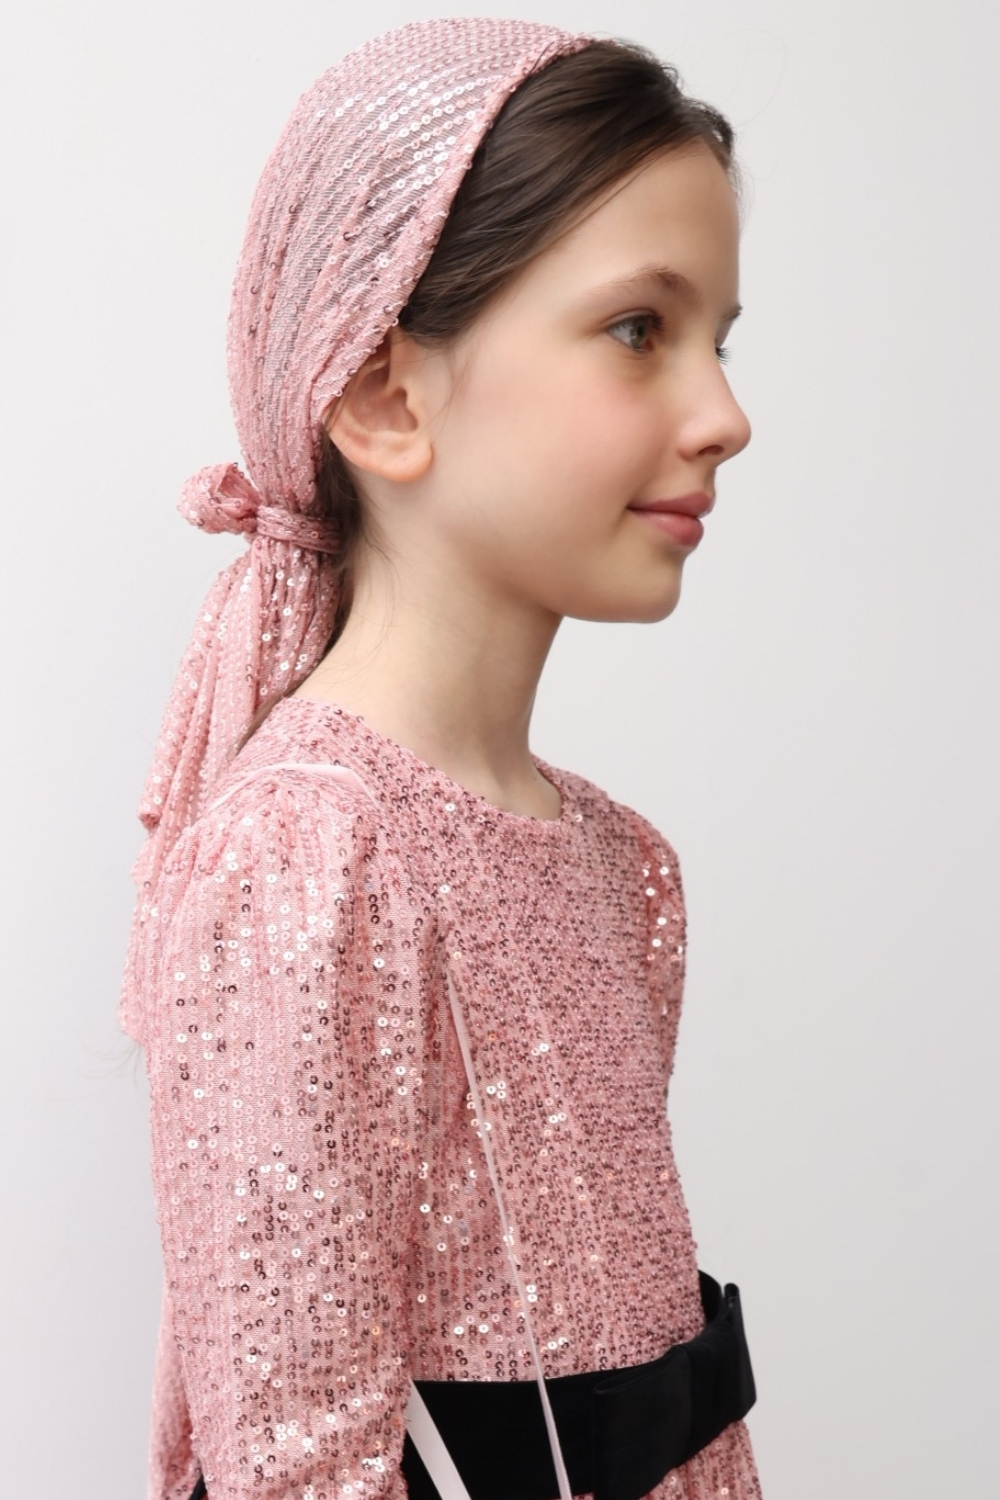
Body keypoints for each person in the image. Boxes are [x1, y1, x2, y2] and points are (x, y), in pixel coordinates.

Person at [120, 17, 761, 1500]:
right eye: (639, 330)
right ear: (385, 398)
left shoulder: (625, 868)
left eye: (720, 342)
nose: (726, 417)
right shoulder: (305, 862)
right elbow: (299, 1463)